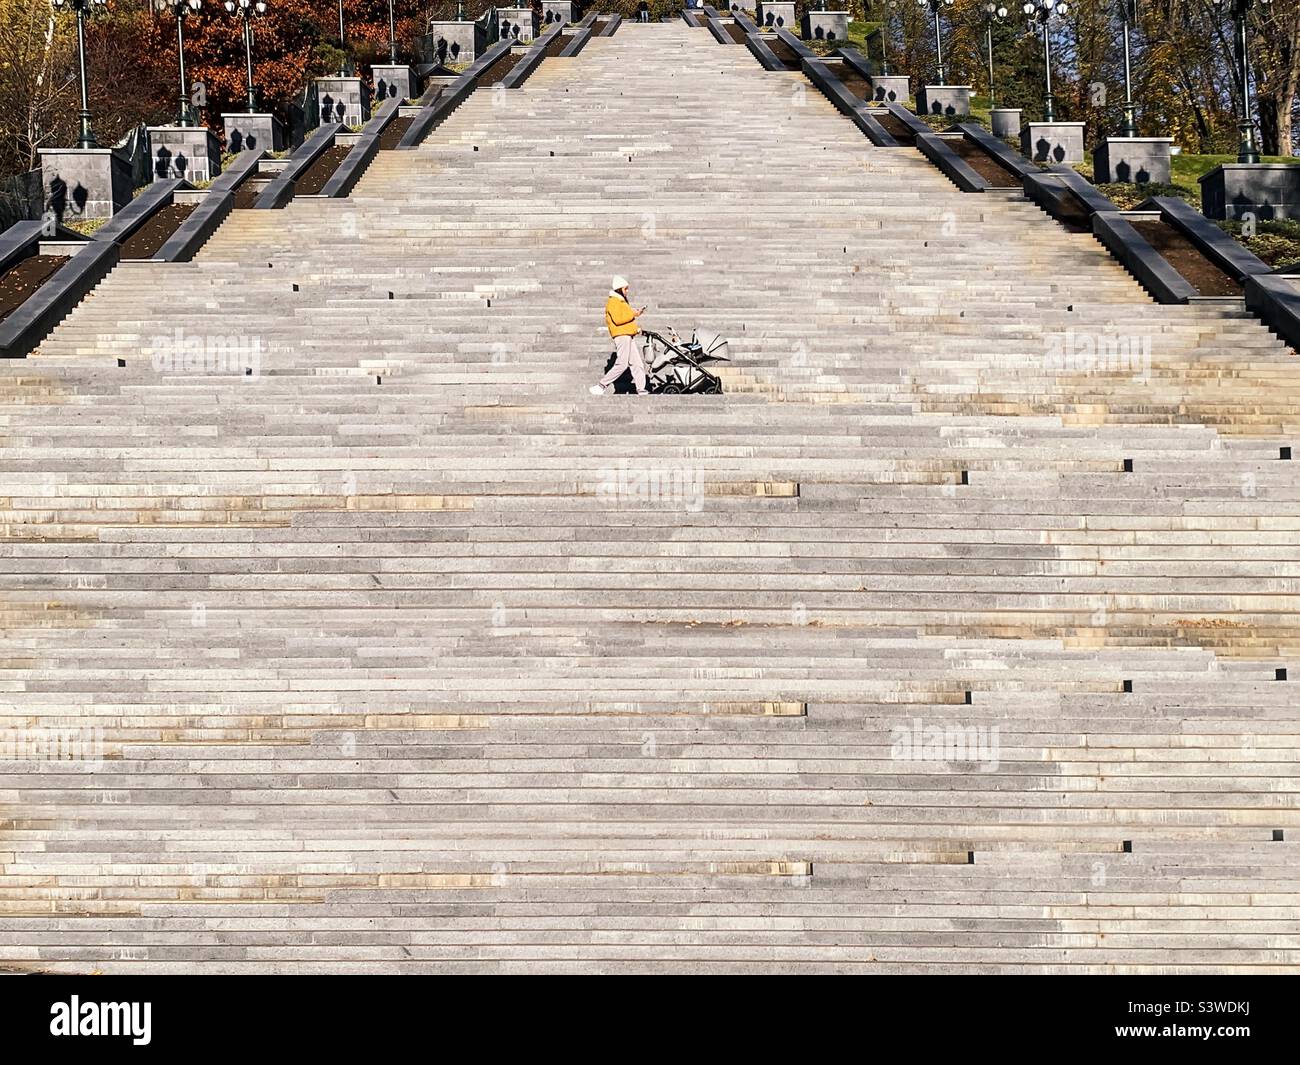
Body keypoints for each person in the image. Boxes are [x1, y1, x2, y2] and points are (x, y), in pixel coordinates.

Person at [590, 276, 647, 396]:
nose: (628, 291)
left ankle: (641, 390)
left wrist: (636, 328)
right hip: (621, 336)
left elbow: (625, 320)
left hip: (627, 335)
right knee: (622, 364)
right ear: (619, 289)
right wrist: (633, 314)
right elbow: (618, 319)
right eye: (626, 289)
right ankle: (601, 385)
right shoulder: (613, 301)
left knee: (637, 364)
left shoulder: (621, 301)